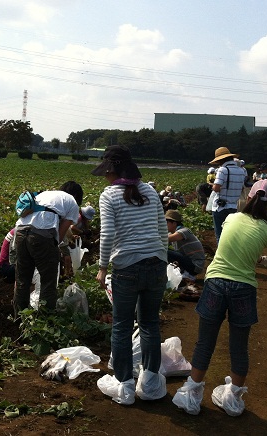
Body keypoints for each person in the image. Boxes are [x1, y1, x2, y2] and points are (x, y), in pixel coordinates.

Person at [172, 179, 267, 417]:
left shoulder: (231, 217)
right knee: (239, 345)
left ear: (250, 197)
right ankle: (232, 398)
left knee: (205, 341)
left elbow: (234, 248)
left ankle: (191, 394)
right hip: (243, 288)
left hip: (216, 283)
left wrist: (257, 259)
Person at [93, 145, 168, 405]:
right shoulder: (149, 190)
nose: (105, 177)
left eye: (106, 172)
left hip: (127, 268)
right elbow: (162, 230)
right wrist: (163, 259)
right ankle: (149, 383)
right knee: (149, 325)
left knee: (122, 326)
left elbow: (108, 234)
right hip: (156, 264)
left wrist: (103, 267)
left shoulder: (109, 195)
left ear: (113, 171)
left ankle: (125, 386)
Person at [13, 181, 82, 315]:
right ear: (77, 196)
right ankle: (45, 319)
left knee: (22, 279)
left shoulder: (46, 194)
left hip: (20, 232)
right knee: (48, 280)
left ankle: (19, 317)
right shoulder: (72, 202)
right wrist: (53, 253)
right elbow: (60, 235)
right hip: (41, 234)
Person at [208, 147, 247, 244]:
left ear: (220, 160)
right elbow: (242, 188)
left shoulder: (222, 170)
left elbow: (216, 188)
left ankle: (221, 256)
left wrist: (212, 186)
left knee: (220, 235)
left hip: (221, 207)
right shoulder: (241, 171)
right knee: (230, 234)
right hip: (234, 206)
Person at [165, 210, 205, 281]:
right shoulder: (172, 233)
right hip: (188, 262)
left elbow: (165, 239)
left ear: (174, 223)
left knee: (165, 252)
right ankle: (182, 273)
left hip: (195, 265)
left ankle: (188, 274)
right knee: (165, 251)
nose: (165, 225)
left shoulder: (184, 231)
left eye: (166, 222)